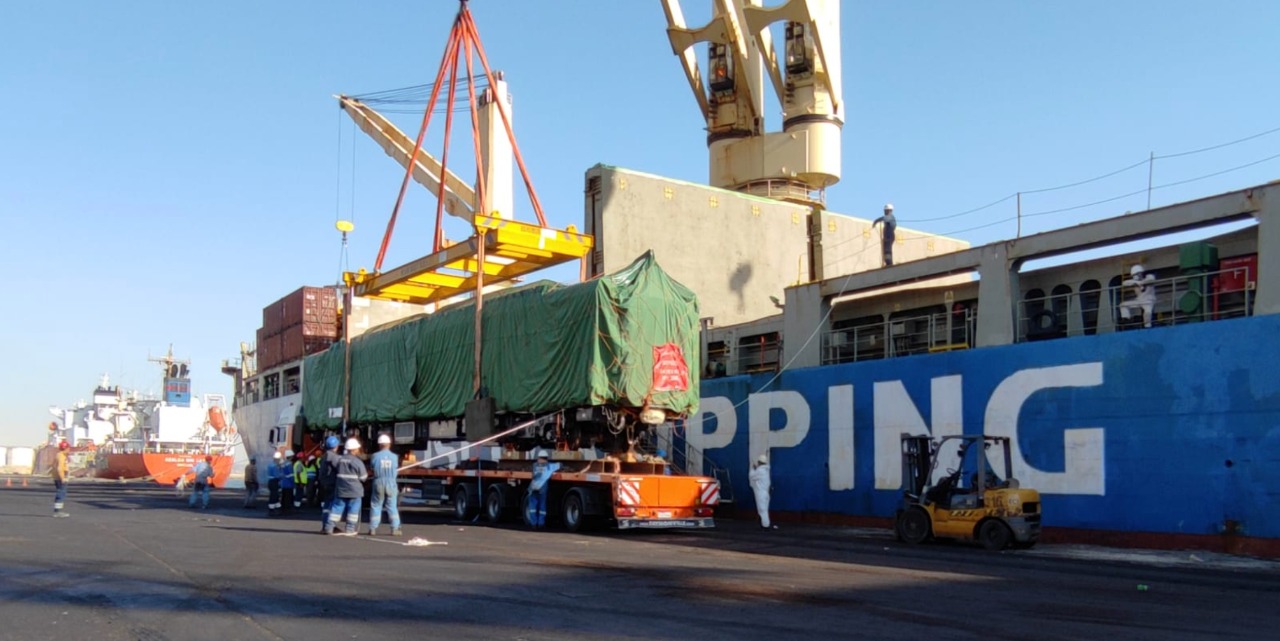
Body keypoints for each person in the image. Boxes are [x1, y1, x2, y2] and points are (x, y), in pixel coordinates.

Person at [324, 438, 368, 535]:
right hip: (354, 491)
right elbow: (363, 477)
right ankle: (350, 529)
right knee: (353, 510)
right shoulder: (357, 462)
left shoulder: (339, 460)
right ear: (355, 449)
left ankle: (329, 527)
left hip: (341, 490)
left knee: (336, 509)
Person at [367, 434, 402, 536]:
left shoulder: (375, 456)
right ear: (389, 444)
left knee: (376, 505)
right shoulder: (394, 457)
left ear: (379, 445)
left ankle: (373, 528)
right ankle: (395, 528)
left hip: (378, 482)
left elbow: (372, 467)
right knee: (392, 506)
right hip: (391, 483)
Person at [526, 450, 560, 530]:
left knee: (532, 506)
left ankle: (533, 524)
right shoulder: (549, 466)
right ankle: (541, 524)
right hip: (542, 489)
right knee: (542, 506)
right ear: (546, 458)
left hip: (533, 487)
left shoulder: (534, 465)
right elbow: (559, 465)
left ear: (538, 457)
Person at [1119, 263, 1156, 328]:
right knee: (1123, 305)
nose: (1136, 276)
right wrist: (1136, 282)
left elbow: (1151, 280)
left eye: (1137, 274)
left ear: (1141, 273)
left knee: (1147, 313)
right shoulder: (1134, 281)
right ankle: (1126, 319)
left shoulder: (1149, 276)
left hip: (1148, 300)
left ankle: (1148, 327)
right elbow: (1124, 283)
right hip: (1139, 300)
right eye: (1134, 275)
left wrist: (1141, 282)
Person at [318, 435, 341, 529]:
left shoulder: (325, 455)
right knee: (333, 505)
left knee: (327, 506)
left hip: (324, 483)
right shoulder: (334, 457)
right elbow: (340, 468)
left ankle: (325, 525)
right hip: (332, 483)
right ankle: (330, 526)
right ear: (336, 446)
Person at [749, 453, 776, 529]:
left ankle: (765, 525)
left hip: (761, 493)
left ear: (759, 462)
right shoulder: (766, 470)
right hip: (765, 493)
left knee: (762, 510)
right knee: (764, 510)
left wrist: (753, 469)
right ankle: (764, 523)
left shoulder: (760, 471)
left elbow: (752, 476)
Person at [871, 203, 897, 267]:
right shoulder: (888, 218)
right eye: (885, 210)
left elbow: (883, 218)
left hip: (889, 234)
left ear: (890, 210)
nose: (885, 212)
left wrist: (875, 221)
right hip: (887, 235)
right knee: (885, 248)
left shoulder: (890, 217)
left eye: (886, 210)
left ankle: (889, 263)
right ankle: (887, 262)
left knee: (887, 249)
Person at [51, 441, 70, 518]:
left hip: (57, 477)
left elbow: (53, 466)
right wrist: (63, 478)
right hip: (60, 478)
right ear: (66, 448)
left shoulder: (58, 455)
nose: (69, 450)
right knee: (61, 493)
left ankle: (58, 510)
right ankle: (58, 511)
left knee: (61, 493)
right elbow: (59, 469)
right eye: (68, 448)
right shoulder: (61, 456)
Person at [267, 451, 286, 516]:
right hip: (274, 482)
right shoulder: (275, 466)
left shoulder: (270, 465)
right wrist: (282, 474)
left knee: (275, 495)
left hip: (270, 482)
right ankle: (272, 509)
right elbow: (277, 476)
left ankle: (278, 508)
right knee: (274, 496)